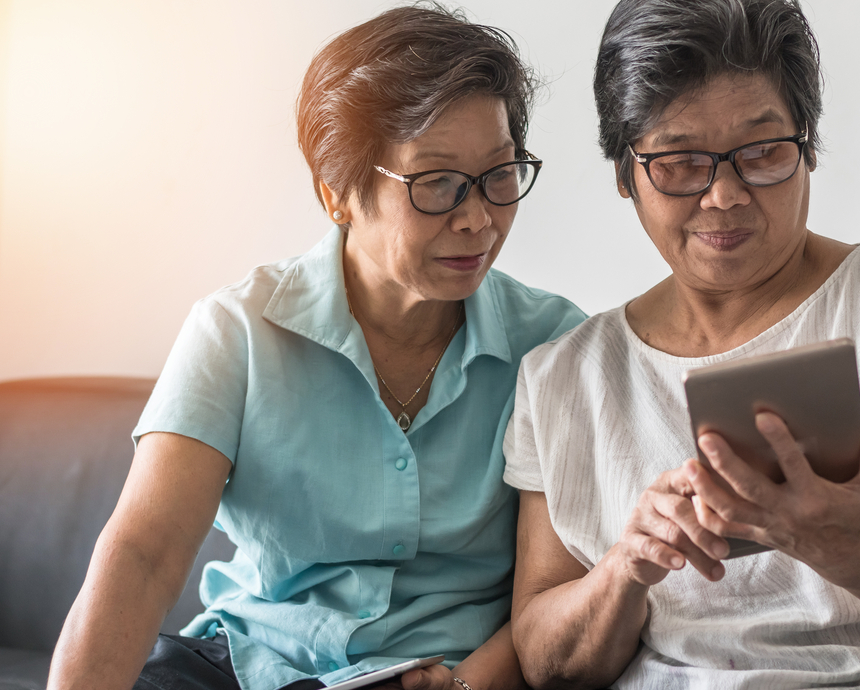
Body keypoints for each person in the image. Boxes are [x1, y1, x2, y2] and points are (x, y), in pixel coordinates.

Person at [47, 6, 584, 690]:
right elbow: (143, 555)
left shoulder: (556, 346)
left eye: (500, 174)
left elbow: (556, 593)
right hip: (246, 667)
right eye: (436, 183)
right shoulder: (237, 331)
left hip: (447, 676)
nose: (477, 217)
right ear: (337, 194)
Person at [505, 1, 860, 688]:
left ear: (807, 147)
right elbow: (548, 665)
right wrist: (625, 567)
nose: (724, 196)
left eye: (761, 153)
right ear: (624, 172)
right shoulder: (563, 377)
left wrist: (852, 554)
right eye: (681, 161)